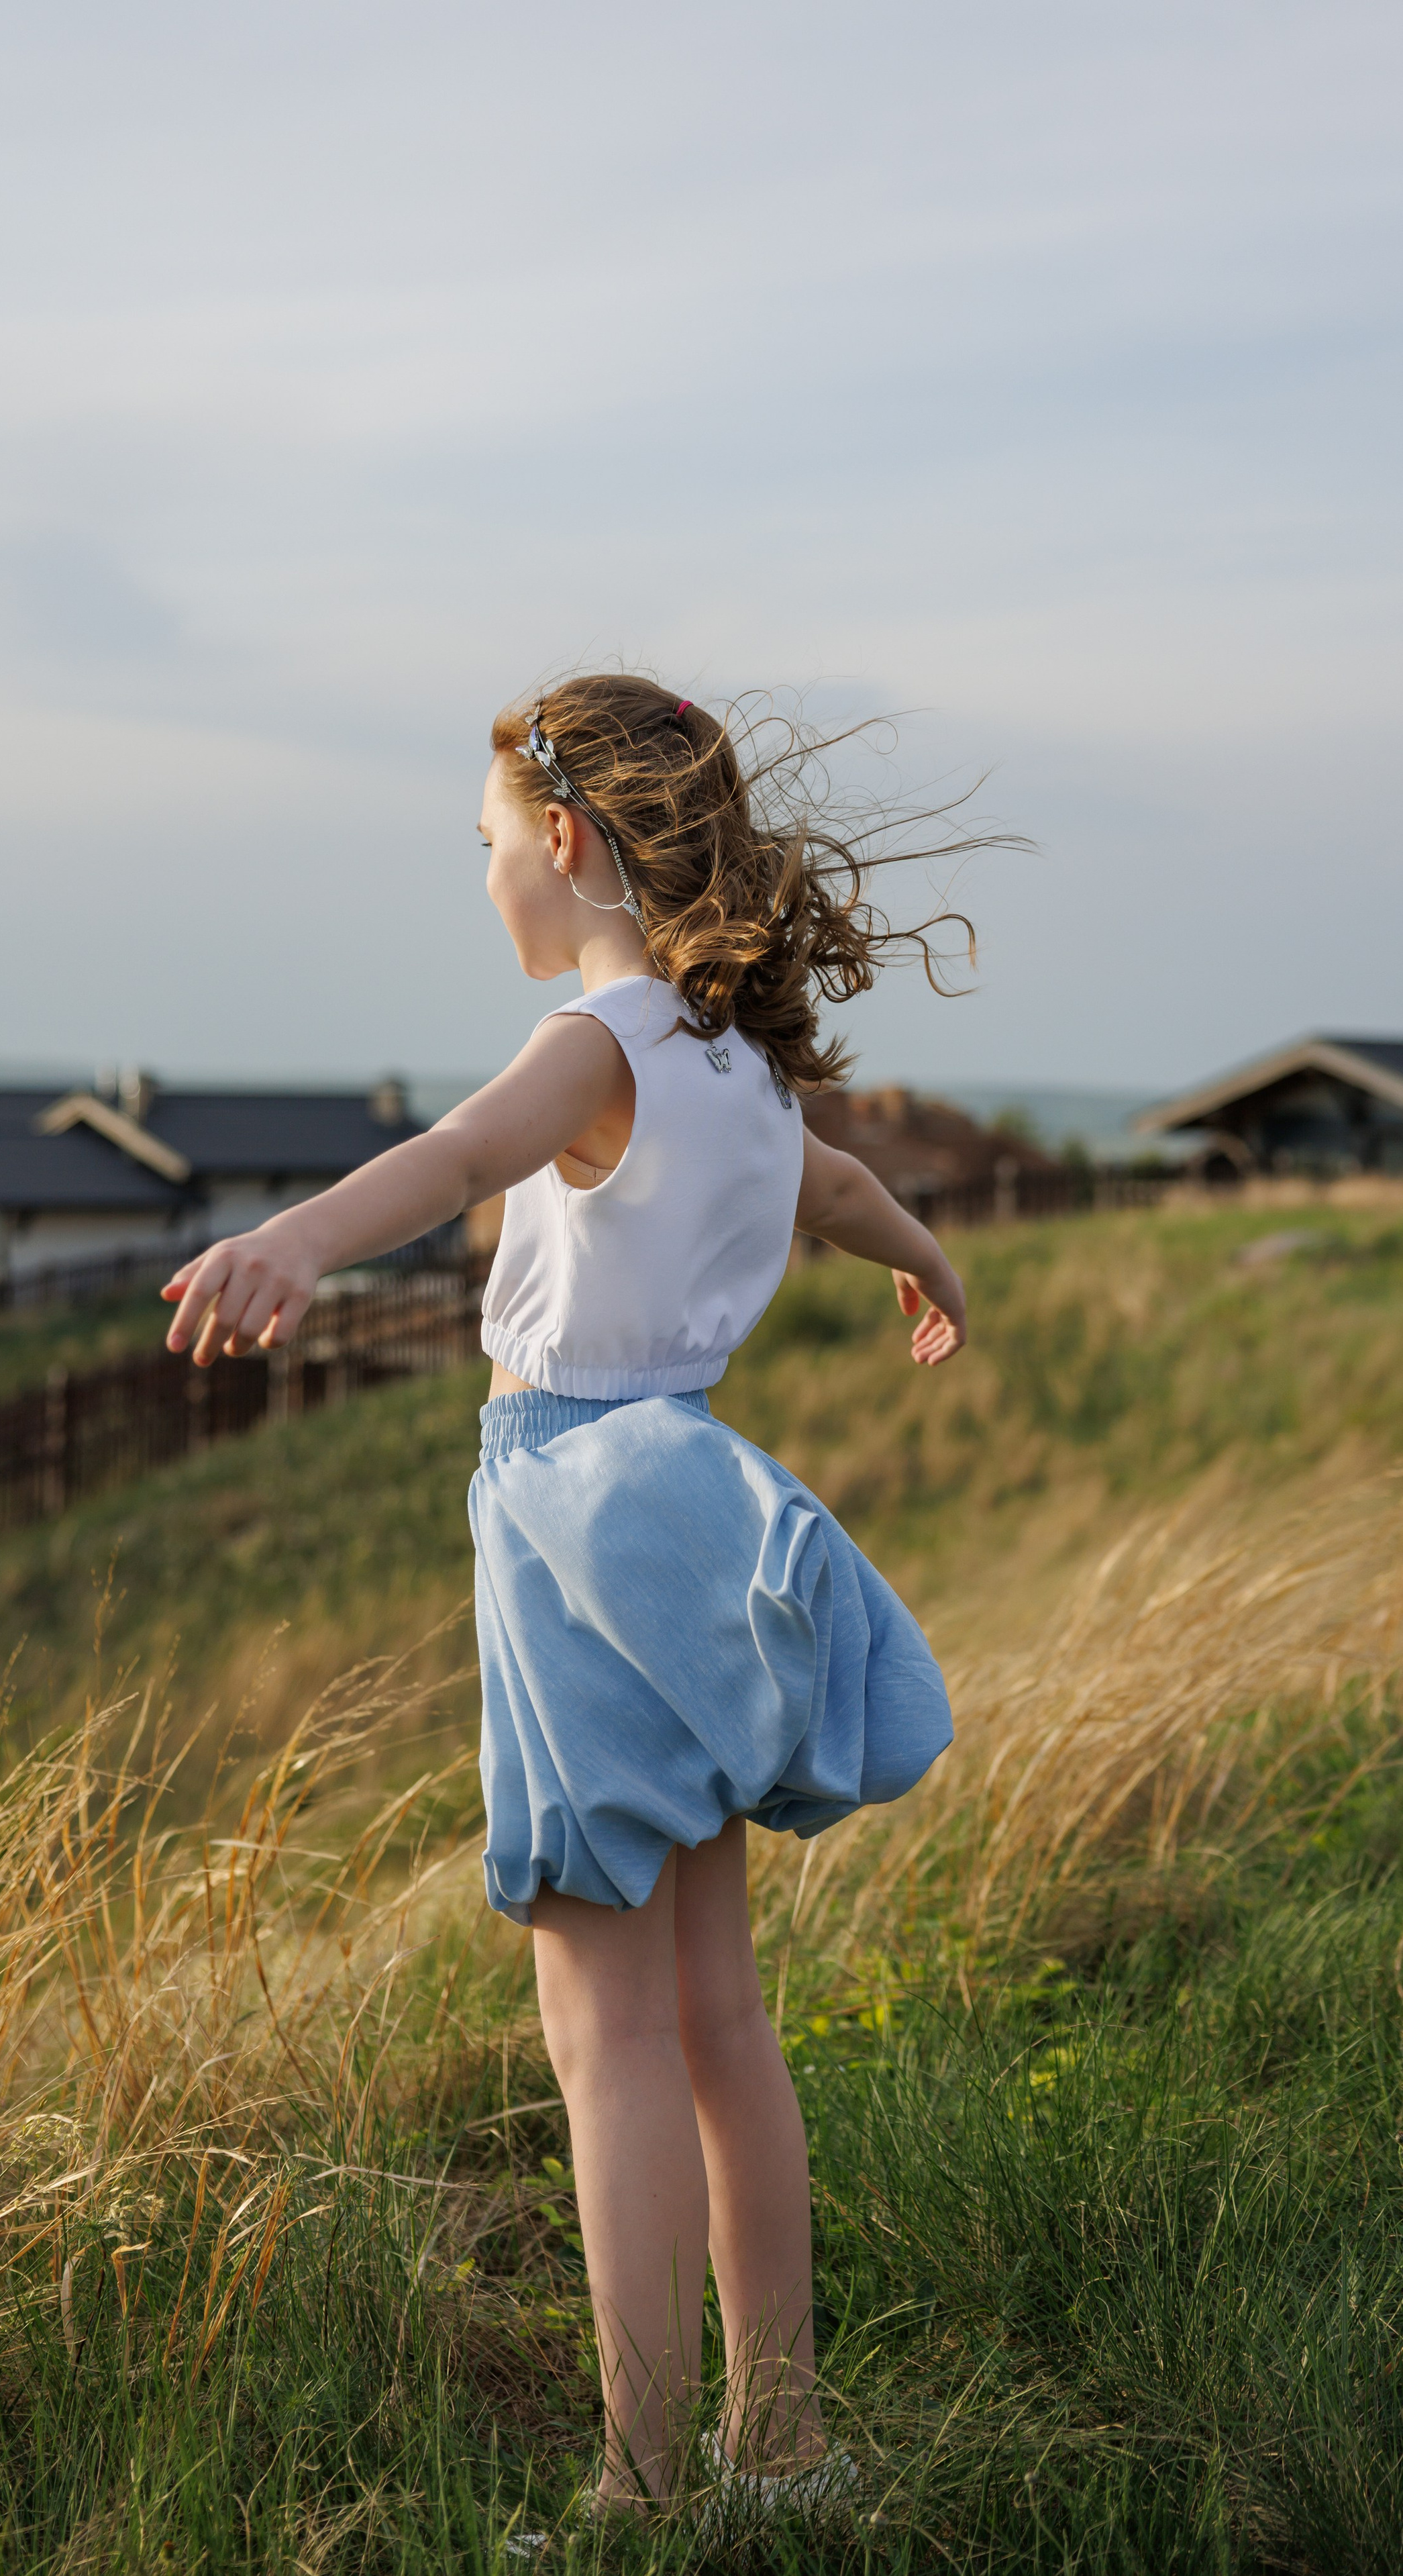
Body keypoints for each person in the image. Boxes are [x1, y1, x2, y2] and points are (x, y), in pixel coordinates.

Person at [162, 675, 971, 2519]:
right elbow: (836, 1189)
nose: (486, 881)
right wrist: (925, 1257)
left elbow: (455, 1162)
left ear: (566, 843)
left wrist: (289, 1236)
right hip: (692, 1505)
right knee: (720, 2019)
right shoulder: (733, 1060)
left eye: (484, 848)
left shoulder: (595, 1040)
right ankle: (789, 2446)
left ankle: (642, 2482)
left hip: (574, 1517)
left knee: (605, 2033)